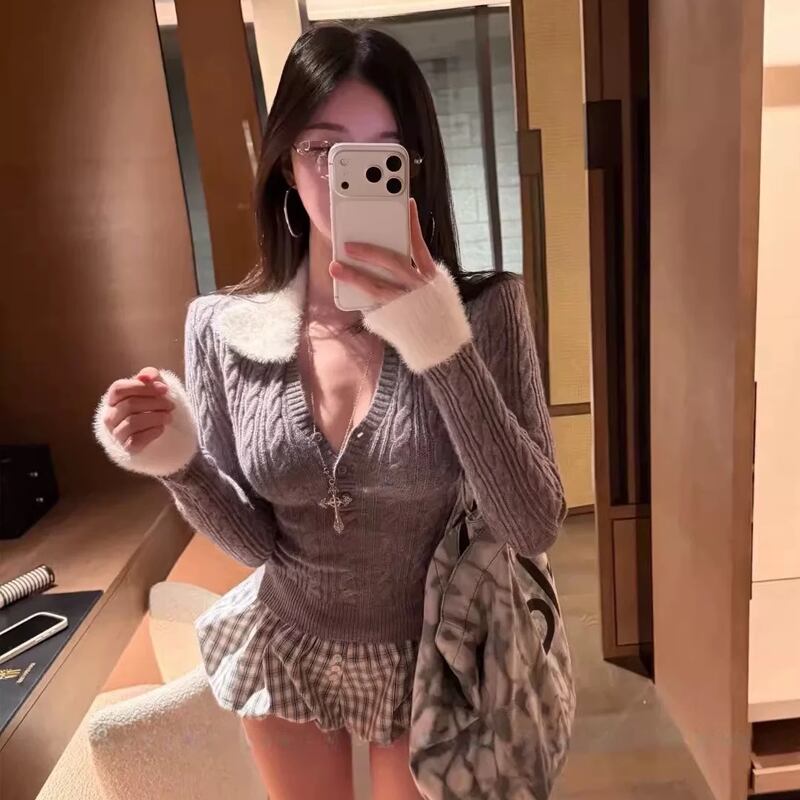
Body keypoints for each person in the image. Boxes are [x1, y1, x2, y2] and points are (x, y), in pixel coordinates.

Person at [93, 22, 566, 800]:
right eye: (325, 148)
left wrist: (440, 344)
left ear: (413, 167)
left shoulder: (484, 311)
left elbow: (532, 523)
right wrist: (176, 460)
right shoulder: (221, 329)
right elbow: (255, 544)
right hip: (290, 642)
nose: (350, 175)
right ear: (284, 159)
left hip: (432, 655)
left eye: (383, 152)